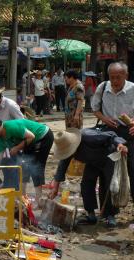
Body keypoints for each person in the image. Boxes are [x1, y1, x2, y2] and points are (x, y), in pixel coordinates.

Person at [49, 128, 128, 227]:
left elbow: (111, 135)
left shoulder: (88, 136)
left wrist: (119, 144)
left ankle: (110, 215)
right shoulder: (67, 149)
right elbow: (62, 167)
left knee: (108, 186)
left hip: (108, 157)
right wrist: (55, 188)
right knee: (86, 184)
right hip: (92, 162)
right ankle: (91, 214)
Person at [0, 116, 54, 205]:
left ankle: (38, 201)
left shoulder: (11, 127)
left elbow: (31, 136)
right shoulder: (0, 138)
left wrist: (16, 148)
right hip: (29, 142)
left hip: (42, 136)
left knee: (35, 167)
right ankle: (23, 196)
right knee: (23, 165)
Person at [92, 61, 134, 202]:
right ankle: (109, 211)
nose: (115, 81)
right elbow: (95, 109)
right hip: (108, 133)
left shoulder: (133, 89)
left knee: (132, 169)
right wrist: (104, 119)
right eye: (112, 77)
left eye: (118, 77)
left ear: (126, 75)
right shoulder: (103, 87)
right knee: (107, 170)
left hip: (129, 132)